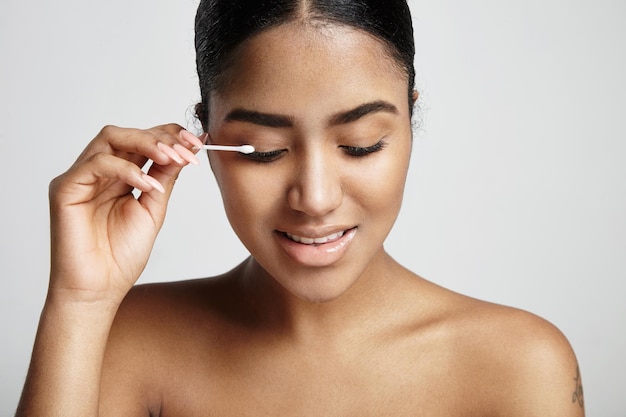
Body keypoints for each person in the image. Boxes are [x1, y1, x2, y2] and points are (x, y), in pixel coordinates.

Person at [16, 0, 585, 416]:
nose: (314, 199)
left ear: (410, 122)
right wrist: (79, 301)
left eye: (360, 143)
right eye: (263, 152)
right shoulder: (129, 341)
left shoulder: (520, 364)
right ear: (201, 142)